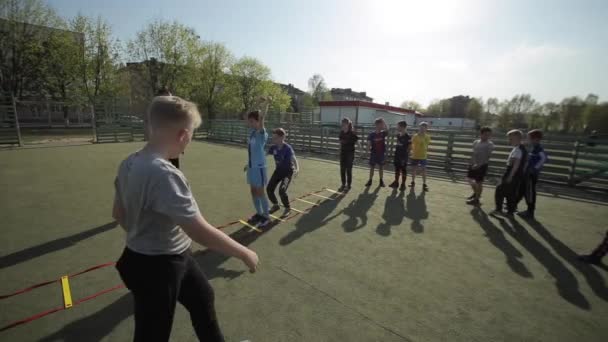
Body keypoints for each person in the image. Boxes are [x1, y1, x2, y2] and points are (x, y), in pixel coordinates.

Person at [112, 96, 259, 342]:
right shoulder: (164, 174)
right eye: (191, 133)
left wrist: (140, 232)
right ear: (182, 135)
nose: (190, 138)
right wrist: (244, 252)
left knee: (203, 298)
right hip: (159, 266)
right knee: (152, 334)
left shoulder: (129, 162)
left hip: (164, 256)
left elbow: (119, 214)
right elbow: (199, 232)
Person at [245, 97, 272, 228]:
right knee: (253, 191)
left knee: (261, 192)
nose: (249, 123)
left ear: (257, 121)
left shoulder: (262, 133)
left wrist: (266, 104)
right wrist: (255, 103)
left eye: (252, 121)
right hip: (251, 167)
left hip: (259, 167)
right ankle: (259, 213)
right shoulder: (251, 132)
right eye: (249, 121)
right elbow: (246, 115)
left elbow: (262, 118)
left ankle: (267, 217)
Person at [492, 129, 528, 217]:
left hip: (512, 173)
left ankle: (499, 210)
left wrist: (510, 176)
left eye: (511, 139)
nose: (509, 141)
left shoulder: (518, 150)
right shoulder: (521, 149)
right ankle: (510, 212)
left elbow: (516, 164)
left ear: (518, 138)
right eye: (509, 139)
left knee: (499, 190)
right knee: (510, 193)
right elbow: (524, 164)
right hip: (517, 175)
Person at [267, 128, 299, 217]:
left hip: (288, 172)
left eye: (275, 138)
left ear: (282, 137)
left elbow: (294, 158)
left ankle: (287, 208)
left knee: (282, 191)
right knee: (269, 189)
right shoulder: (273, 147)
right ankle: (275, 205)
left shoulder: (287, 148)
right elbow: (264, 155)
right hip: (278, 171)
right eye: (273, 138)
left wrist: (297, 168)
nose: (273, 140)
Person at [517, 129, 547, 219]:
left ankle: (530, 211)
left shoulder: (538, 148)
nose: (527, 139)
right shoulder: (533, 147)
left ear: (536, 139)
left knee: (529, 192)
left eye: (529, 137)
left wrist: (534, 168)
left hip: (531, 174)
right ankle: (513, 205)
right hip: (527, 173)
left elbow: (543, 158)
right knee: (522, 189)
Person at [154, 87, 181, 169]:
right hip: (160, 149)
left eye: (171, 97)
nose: (170, 99)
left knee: (175, 171)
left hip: (173, 148)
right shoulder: (155, 112)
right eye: (167, 97)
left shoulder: (173, 111)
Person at [466, 127, 494, 206]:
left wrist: (479, 165)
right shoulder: (476, 142)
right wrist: (474, 163)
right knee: (469, 180)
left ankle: (476, 200)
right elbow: (474, 154)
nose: (487, 136)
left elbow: (487, 157)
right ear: (481, 134)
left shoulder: (490, 144)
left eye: (489, 135)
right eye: (485, 134)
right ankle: (476, 193)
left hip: (482, 165)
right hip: (473, 164)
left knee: (479, 182)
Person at [365, 118, 388, 187]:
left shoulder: (383, 133)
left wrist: (383, 121)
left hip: (381, 154)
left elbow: (387, 129)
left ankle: (381, 181)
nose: (382, 125)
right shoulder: (371, 134)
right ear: (377, 125)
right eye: (381, 124)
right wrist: (367, 152)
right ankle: (370, 180)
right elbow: (369, 144)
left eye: (382, 124)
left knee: (381, 167)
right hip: (373, 153)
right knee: (372, 167)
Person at [389, 120, 411, 192]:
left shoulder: (408, 137)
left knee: (403, 170)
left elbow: (409, 148)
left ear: (402, 127)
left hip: (403, 157)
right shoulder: (398, 135)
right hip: (397, 155)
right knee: (397, 170)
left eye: (398, 126)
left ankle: (403, 184)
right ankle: (396, 182)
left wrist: (404, 157)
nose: (397, 127)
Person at [338, 117, 359, 191]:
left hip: (350, 153)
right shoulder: (341, 132)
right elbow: (340, 142)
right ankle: (343, 184)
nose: (343, 125)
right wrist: (340, 149)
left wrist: (361, 150)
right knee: (342, 169)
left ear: (348, 124)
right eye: (342, 124)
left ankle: (348, 185)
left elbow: (357, 142)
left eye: (344, 124)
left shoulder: (352, 133)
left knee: (348, 170)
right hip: (343, 153)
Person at [410, 122, 431, 191]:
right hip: (415, 155)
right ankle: (412, 182)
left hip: (423, 156)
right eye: (421, 127)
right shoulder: (415, 136)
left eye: (424, 128)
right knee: (413, 169)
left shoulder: (427, 137)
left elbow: (426, 146)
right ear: (419, 128)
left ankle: (424, 184)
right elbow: (411, 144)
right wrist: (411, 151)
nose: (422, 129)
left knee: (424, 170)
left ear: (426, 129)